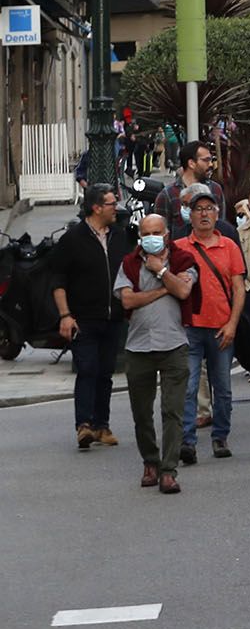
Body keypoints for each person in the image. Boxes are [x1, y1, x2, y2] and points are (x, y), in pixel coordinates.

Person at [115, 213, 195, 492]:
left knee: (172, 410)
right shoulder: (129, 263)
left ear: (166, 235)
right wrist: (164, 290)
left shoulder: (183, 259)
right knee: (141, 412)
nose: (150, 238)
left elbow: (184, 291)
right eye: (145, 233)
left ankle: (169, 470)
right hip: (138, 347)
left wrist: (161, 271)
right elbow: (127, 299)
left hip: (174, 344)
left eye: (156, 233)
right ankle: (150, 461)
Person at [50, 183, 127, 451]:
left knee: (105, 372)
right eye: (111, 203)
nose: (115, 207)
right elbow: (57, 280)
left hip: (113, 317)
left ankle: (101, 425)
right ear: (96, 207)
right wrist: (65, 315)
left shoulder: (119, 236)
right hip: (83, 318)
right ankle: (83, 425)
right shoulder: (73, 238)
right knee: (87, 369)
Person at [175, 183, 246, 464]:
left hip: (221, 327)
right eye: (198, 209)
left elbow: (239, 288)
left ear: (217, 214)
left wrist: (232, 324)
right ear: (189, 215)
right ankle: (187, 442)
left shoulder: (229, 246)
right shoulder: (179, 247)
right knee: (189, 387)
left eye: (208, 209)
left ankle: (220, 437)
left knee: (223, 387)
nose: (203, 214)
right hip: (189, 327)